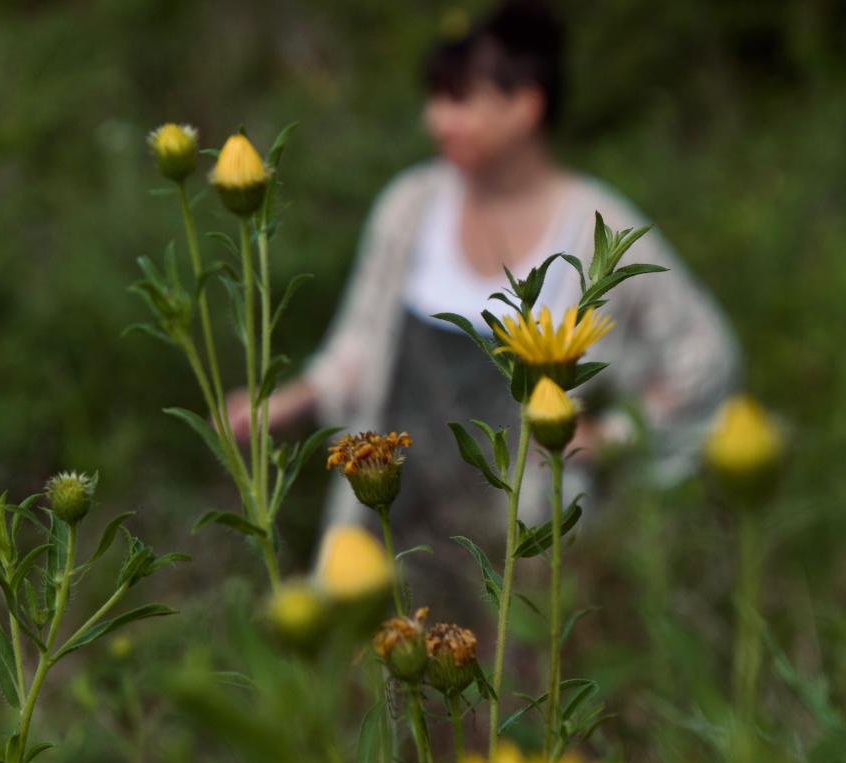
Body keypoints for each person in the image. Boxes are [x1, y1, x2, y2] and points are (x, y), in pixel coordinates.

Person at [227, 1, 739, 599]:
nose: (435, 119)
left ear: (525, 105)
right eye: (434, 99)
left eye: (457, 99)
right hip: (386, 524)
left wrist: (616, 435)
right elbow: (360, 348)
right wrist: (281, 406)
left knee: (512, 683)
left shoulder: (599, 229)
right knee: (365, 676)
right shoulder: (410, 207)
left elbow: (705, 356)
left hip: (523, 550)